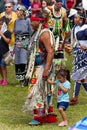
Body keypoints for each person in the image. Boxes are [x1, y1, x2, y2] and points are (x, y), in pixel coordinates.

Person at [23, 12, 55, 125]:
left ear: (40, 21)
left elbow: (51, 52)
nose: (31, 23)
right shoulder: (37, 33)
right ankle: (43, 114)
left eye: (33, 21)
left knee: (38, 92)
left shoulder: (45, 34)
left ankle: (39, 117)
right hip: (37, 67)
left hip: (42, 68)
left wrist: (46, 70)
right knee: (38, 91)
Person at [70, 13, 87, 105]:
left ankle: (74, 97)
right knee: (82, 78)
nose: (74, 19)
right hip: (79, 54)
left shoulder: (85, 28)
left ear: (81, 19)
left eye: (76, 17)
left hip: (85, 55)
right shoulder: (75, 29)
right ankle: (75, 97)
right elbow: (76, 42)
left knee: (78, 76)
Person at [14, 5, 33, 87]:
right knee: (17, 62)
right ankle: (20, 81)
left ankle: (26, 81)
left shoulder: (27, 20)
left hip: (25, 44)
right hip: (17, 43)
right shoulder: (16, 21)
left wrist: (29, 44)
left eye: (18, 11)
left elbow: (31, 33)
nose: (16, 12)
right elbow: (15, 33)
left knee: (24, 61)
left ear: (22, 12)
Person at [0, 16, 11, 86]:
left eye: (1, 24)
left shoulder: (7, 32)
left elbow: (8, 41)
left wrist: (2, 35)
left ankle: (5, 79)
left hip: (4, 52)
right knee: (0, 67)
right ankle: (2, 79)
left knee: (3, 66)